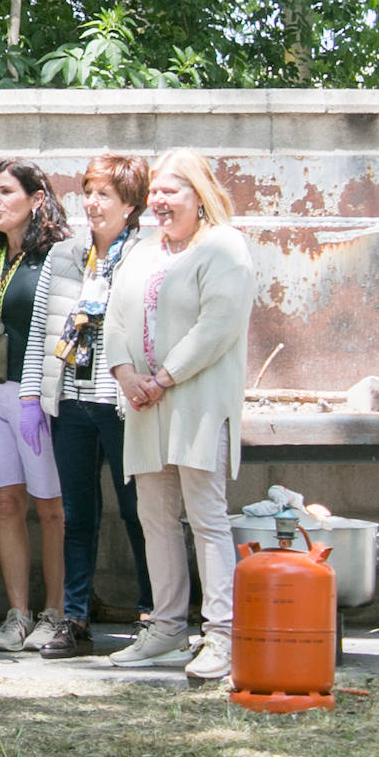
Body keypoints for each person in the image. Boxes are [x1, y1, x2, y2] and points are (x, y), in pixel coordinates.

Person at [104, 149, 256, 681]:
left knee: (207, 516)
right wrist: (126, 375)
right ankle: (166, 629)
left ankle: (221, 635)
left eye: (173, 191)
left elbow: (218, 325)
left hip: (195, 399)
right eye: (157, 192)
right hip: (146, 403)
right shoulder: (143, 250)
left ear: (200, 194)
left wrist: (163, 377)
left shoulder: (224, 247)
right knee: (154, 516)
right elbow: (115, 316)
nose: (160, 201)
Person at [19, 154, 153, 659]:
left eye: (106, 196)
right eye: (90, 193)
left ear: (131, 206)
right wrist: (32, 395)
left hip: (122, 405)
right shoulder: (64, 255)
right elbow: (40, 332)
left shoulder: (145, 254)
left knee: (140, 512)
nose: (93, 204)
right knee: (78, 514)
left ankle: (154, 614)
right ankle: (75, 619)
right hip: (70, 401)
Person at [0, 159, 68, 653]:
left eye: (6, 191)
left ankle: (56, 612)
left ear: (36, 199)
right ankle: (17, 614)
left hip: (33, 394)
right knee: (5, 503)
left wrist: (40, 395)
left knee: (50, 507)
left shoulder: (57, 257)